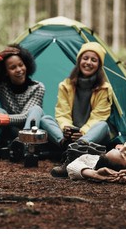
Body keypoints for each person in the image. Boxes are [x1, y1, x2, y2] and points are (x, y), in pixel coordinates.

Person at [40, 42, 114, 177]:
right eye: (85, 58)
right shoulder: (65, 85)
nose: (88, 62)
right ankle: (68, 146)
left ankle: (75, 151)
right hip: (70, 135)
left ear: (99, 65)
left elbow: (99, 115)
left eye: (94, 60)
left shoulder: (105, 88)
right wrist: (67, 129)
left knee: (103, 125)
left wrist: (82, 132)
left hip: (91, 135)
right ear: (79, 60)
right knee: (45, 119)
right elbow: (62, 113)